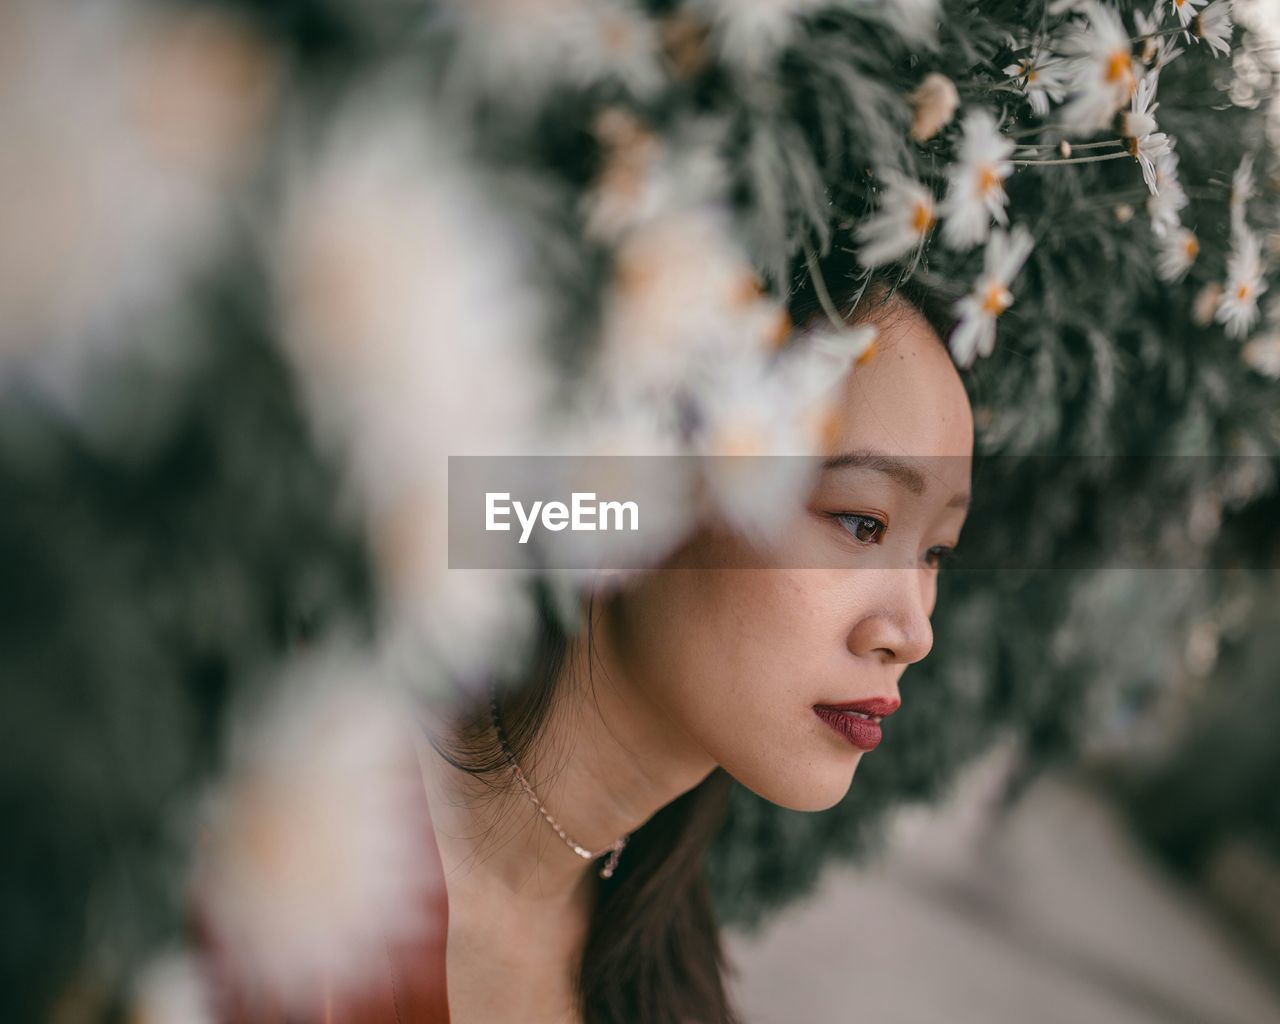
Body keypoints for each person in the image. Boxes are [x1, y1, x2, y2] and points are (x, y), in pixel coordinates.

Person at [204, 276, 973, 1024]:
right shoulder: (279, 813)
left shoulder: (666, 991)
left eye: (936, 553)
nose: (912, 632)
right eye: (862, 523)